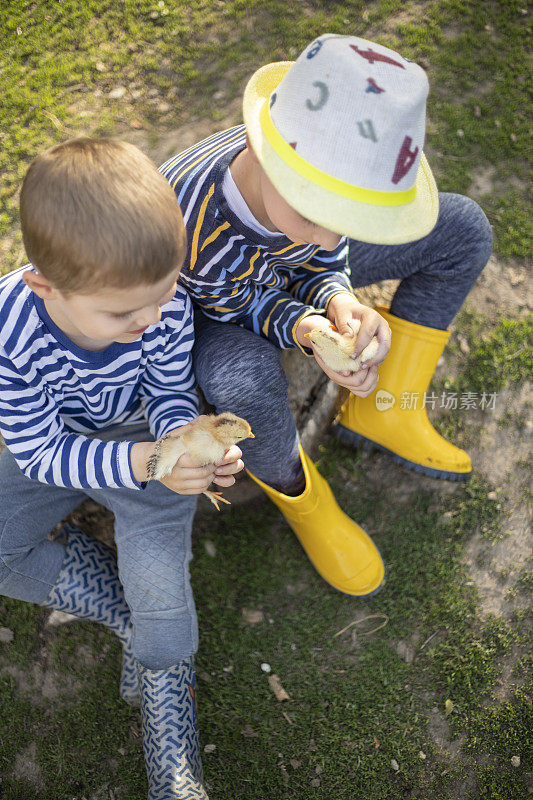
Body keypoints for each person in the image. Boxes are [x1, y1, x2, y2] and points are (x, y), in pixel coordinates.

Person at [160, 34, 492, 598]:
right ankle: (301, 495)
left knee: (462, 229)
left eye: (350, 216)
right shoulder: (192, 222)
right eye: (322, 213)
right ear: (263, 155)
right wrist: (310, 328)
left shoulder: (308, 202)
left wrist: (339, 298)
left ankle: (386, 411)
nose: (333, 234)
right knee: (240, 376)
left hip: (273, 279)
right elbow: (245, 302)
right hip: (210, 312)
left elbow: (323, 253)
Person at [0, 138, 240, 799]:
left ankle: (168, 706)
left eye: (160, 300)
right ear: (44, 286)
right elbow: (40, 452)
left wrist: (183, 446)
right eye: (121, 313)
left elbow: (166, 391)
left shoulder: (158, 306)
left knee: (168, 638)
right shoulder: (8, 331)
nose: (148, 321)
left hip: (145, 443)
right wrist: (145, 461)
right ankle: (120, 613)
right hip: (61, 448)